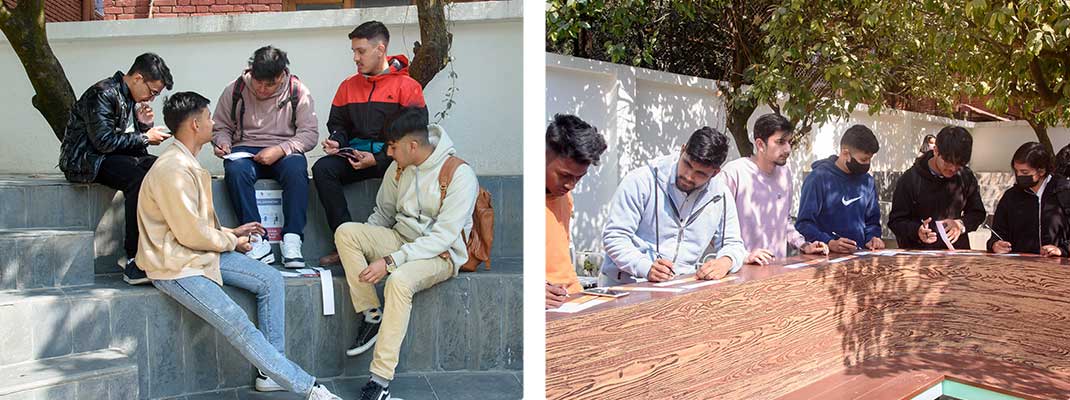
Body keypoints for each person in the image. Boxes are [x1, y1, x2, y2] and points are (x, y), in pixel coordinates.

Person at [136, 92, 341, 399]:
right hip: (175, 266)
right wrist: (231, 240)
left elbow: (192, 226)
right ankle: (308, 388)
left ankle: (270, 373)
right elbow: (191, 233)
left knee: (270, 278)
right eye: (209, 118)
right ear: (195, 125)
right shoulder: (172, 169)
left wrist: (231, 232)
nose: (214, 123)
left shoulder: (185, 162)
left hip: (198, 253)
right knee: (237, 323)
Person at [333, 107, 477, 400]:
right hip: (400, 239)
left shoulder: (458, 174)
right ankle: (372, 315)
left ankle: (379, 382)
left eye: (392, 146)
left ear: (412, 145)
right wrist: (361, 246)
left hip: (441, 255)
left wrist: (390, 261)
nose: (388, 153)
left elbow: (443, 237)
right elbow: (383, 214)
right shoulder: (398, 167)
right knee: (346, 232)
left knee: (398, 280)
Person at [312, 21, 427, 266]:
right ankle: (345, 243)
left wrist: (379, 158)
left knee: (410, 169)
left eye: (361, 51)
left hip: (392, 160)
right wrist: (337, 141)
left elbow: (414, 136)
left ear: (380, 49)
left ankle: (400, 246)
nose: (355, 57)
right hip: (355, 157)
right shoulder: (347, 86)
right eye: (353, 51)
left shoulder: (408, 86)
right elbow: (338, 124)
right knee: (322, 168)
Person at [58, 52, 174, 285]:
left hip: (108, 156)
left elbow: (124, 142)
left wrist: (143, 126)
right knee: (138, 178)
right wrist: (144, 137)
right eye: (152, 92)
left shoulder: (128, 97)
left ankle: (163, 248)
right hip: (84, 160)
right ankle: (134, 260)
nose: (151, 99)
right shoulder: (102, 93)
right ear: (138, 78)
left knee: (164, 168)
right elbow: (104, 141)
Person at [212, 46, 319, 268]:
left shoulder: (298, 91)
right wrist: (223, 142)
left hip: (284, 150)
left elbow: (309, 134)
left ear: (281, 77)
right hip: (245, 149)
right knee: (236, 169)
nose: (262, 89)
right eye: (258, 82)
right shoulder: (235, 89)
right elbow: (220, 126)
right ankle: (256, 238)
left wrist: (280, 149)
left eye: (269, 84)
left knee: (296, 167)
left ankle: (292, 238)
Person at [599, 127, 747, 286]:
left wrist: (726, 261)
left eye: (700, 173)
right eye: (687, 164)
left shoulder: (721, 195)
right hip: (625, 285)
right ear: (682, 150)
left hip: (680, 287)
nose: (689, 176)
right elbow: (614, 237)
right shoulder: (641, 181)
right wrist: (645, 267)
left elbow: (733, 244)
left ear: (715, 173)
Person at [720, 113, 828, 265]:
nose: (788, 149)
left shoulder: (785, 173)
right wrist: (743, 256)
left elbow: (785, 222)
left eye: (789, 142)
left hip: (776, 270)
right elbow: (715, 227)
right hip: (740, 270)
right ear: (760, 145)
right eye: (780, 142)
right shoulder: (734, 173)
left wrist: (804, 245)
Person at [545, 114, 607, 309]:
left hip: (572, 299)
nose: (570, 185)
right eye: (564, 175)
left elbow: (561, 261)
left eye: (578, 177)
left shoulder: (566, 198)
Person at [889, 126, 986, 250]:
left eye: (959, 164)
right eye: (948, 162)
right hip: (919, 254)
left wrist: (960, 224)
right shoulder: (910, 179)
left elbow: (978, 213)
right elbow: (896, 221)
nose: (952, 168)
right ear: (935, 150)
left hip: (956, 253)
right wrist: (916, 230)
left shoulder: (965, 176)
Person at [795, 124, 885, 253]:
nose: (867, 164)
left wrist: (873, 238)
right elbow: (803, 224)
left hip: (859, 256)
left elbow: (872, 221)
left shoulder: (867, 181)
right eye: (863, 159)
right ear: (845, 153)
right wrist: (829, 242)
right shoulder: (818, 179)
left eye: (870, 159)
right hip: (824, 257)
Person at [987, 142, 1070, 257]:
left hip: (1059, 265)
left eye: (1024, 172)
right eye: (1016, 171)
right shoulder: (1011, 197)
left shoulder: (1064, 192)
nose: (1019, 175)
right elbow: (998, 233)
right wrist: (995, 244)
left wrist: (1062, 250)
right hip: (1020, 265)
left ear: (1041, 171)